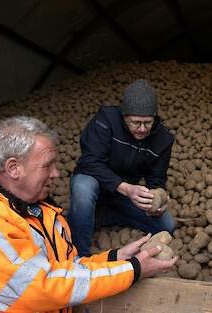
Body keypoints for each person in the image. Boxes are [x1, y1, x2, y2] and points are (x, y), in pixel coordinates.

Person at [0, 116, 177, 313]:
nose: (57, 174)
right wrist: (133, 269)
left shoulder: (42, 212)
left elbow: (63, 268)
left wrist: (115, 258)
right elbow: (39, 286)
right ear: (14, 168)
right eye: (47, 165)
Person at [68, 79, 175, 257]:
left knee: (167, 225)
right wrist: (126, 189)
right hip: (98, 182)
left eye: (147, 123)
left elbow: (157, 178)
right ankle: (79, 255)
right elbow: (89, 162)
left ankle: (103, 216)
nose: (142, 129)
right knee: (83, 187)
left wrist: (159, 197)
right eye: (135, 122)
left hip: (125, 194)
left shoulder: (164, 139)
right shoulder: (106, 120)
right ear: (123, 116)